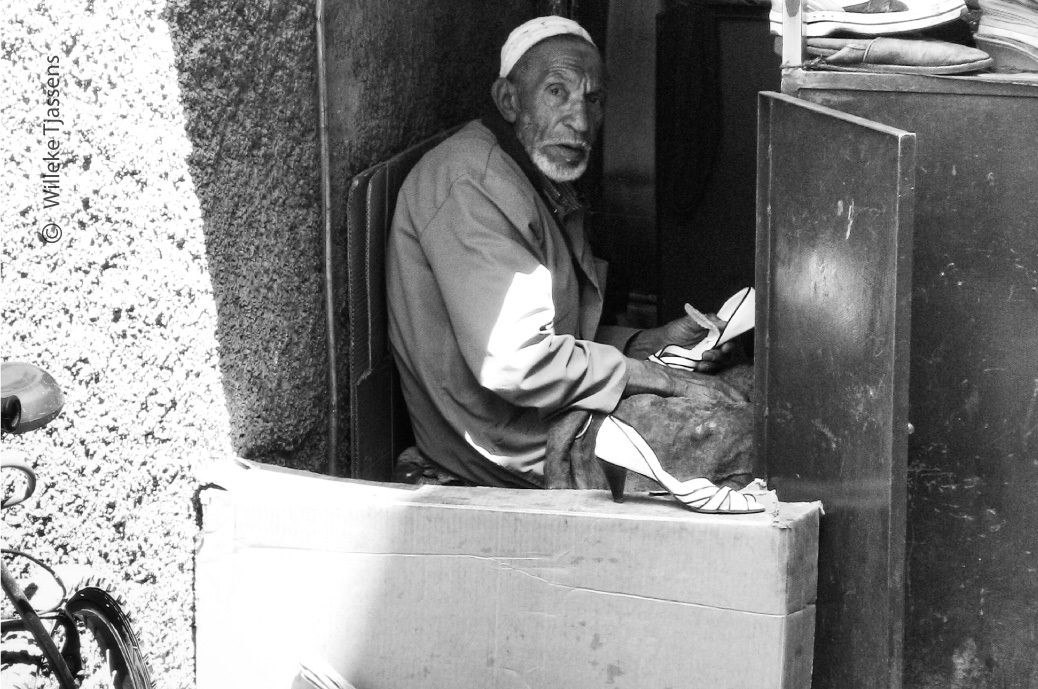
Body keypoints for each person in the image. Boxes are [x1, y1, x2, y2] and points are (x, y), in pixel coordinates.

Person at [387, 16, 760, 513]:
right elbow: (518, 361)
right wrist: (659, 377)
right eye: (556, 92)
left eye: (592, 99)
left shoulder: (532, 176)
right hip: (520, 445)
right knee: (747, 437)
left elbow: (561, 333)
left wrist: (647, 344)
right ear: (509, 101)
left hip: (555, 412)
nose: (580, 121)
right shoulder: (470, 185)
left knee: (756, 384)